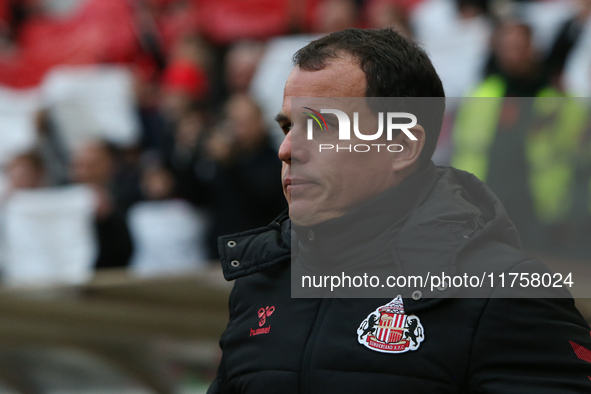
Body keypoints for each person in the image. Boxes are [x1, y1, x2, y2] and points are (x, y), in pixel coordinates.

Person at [208, 28, 591, 393]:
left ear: (402, 146)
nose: (287, 150)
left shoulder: (503, 292)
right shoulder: (260, 283)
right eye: (288, 126)